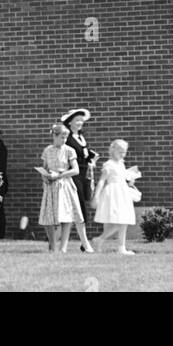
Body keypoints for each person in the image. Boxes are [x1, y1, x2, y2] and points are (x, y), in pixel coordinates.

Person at [38, 122, 92, 254]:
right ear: (54, 136)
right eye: (62, 137)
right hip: (51, 186)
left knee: (66, 217)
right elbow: (44, 168)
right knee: (49, 217)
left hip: (64, 186)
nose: (64, 140)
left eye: (66, 137)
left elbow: (75, 170)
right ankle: (52, 247)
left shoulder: (69, 150)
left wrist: (60, 175)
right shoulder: (47, 150)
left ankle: (63, 247)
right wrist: (45, 177)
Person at [92, 138, 141, 253]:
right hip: (113, 193)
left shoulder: (121, 164)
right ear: (113, 150)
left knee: (125, 219)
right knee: (119, 220)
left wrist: (130, 180)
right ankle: (100, 239)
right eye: (120, 152)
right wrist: (96, 196)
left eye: (124, 152)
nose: (122, 154)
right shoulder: (108, 165)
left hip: (123, 192)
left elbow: (122, 177)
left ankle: (121, 247)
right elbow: (101, 181)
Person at [61, 107, 98, 250]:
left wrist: (91, 159)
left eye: (81, 121)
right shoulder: (68, 139)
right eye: (77, 120)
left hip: (84, 175)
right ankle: (84, 243)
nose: (79, 123)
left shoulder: (81, 137)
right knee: (78, 207)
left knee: (82, 206)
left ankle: (81, 243)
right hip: (74, 176)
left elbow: (84, 155)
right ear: (70, 123)